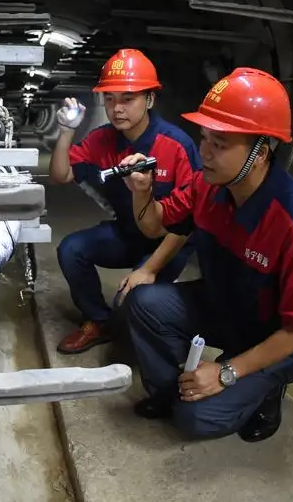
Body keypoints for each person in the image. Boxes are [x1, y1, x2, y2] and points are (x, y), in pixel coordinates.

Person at [117, 67, 293, 442]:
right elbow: (155, 226)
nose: (205, 152)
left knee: (198, 421)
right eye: (204, 138)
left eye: (220, 143)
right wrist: (141, 191)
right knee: (143, 300)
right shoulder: (207, 186)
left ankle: (266, 389)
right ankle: (175, 392)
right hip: (223, 307)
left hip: (271, 334)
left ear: (260, 153)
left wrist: (226, 371)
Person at [48, 48, 201, 355]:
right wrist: (66, 131)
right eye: (109, 99)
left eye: (127, 99)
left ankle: (141, 323)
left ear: (149, 100)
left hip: (167, 243)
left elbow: (190, 223)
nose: (117, 108)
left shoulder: (176, 145)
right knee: (71, 249)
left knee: (132, 301)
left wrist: (149, 270)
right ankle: (99, 321)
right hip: (128, 232)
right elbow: (60, 175)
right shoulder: (102, 139)